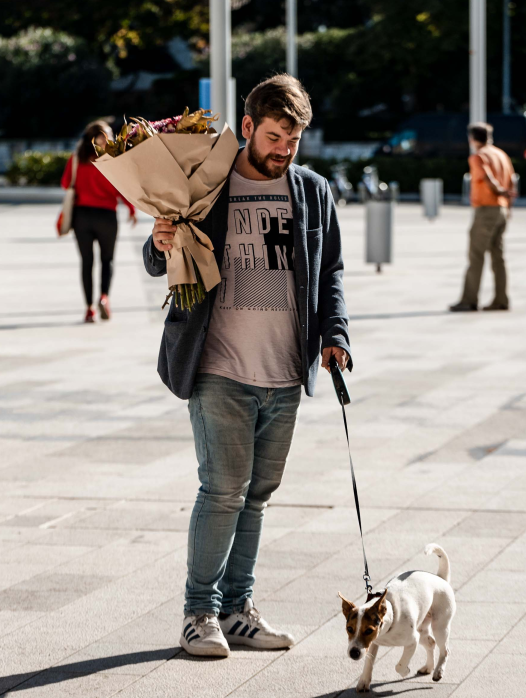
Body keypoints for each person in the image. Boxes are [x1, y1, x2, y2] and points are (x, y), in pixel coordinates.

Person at [143, 74, 352, 658]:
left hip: (285, 373)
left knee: (257, 495)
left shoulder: (311, 191)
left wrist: (334, 335)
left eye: (295, 139)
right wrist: (160, 242)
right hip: (218, 368)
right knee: (223, 490)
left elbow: (329, 271)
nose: (285, 149)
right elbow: (158, 258)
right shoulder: (206, 184)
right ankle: (198, 613)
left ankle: (238, 610)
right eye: (276, 135)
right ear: (250, 124)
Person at [60, 121, 136, 323]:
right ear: (100, 138)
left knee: (86, 262)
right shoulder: (112, 159)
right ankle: (104, 297)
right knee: (107, 260)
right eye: (108, 135)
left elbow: (66, 183)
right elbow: (123, 188)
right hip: (106, 216)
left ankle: (89, 309)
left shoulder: (77, 158)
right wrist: (131, 208)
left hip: (81, 216)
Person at [449, 122, 515, 313]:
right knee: (498, 257)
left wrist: (498, 190)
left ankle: (469, 300)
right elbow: (512, 181)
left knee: (476, 255)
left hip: (487, 209)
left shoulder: (479, 157)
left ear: (472, 138)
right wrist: (508, 206)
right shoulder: (501, 155)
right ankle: (501, 299)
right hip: (501, 210)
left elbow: (488, 178)